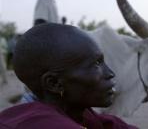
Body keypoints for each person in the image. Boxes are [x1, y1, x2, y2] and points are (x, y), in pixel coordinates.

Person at [0, 24, 138, 129]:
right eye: (96, 64)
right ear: (54, 83)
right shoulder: (48, 124)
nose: (110, 73)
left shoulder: (76, 111)